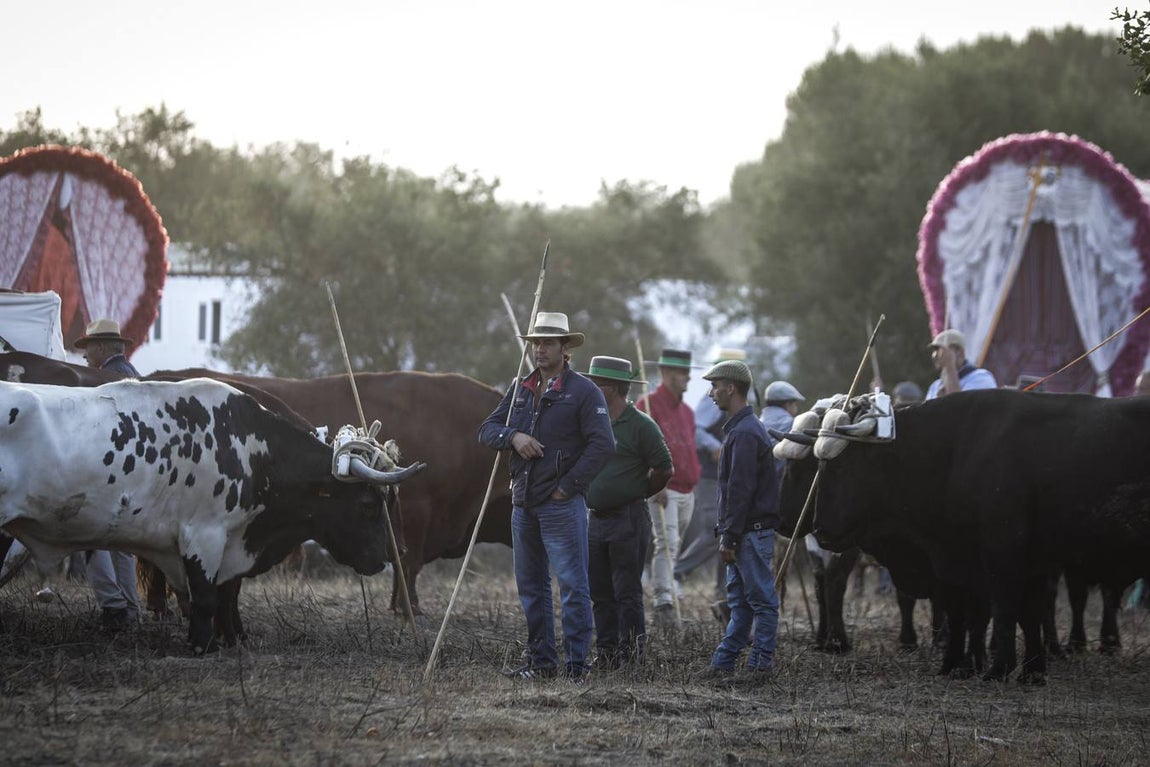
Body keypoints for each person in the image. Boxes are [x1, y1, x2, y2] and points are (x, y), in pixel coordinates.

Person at [478, 311, 614, 682]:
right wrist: (514, 438)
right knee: (531, 587)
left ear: (565, 347)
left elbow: (603, 445)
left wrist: (568, 487)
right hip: (522, 504)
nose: (539, 349)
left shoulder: (584, 391)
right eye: (536, 342)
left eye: (547, 342)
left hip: (561, 505)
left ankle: (576, 668)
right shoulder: (521, 388)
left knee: (572, 586)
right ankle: (541, 663)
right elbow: (487, 430)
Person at [584, 356, 673, 669]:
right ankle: (606, 654)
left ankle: (632, 656)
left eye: (597, 383)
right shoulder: (592, 421)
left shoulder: (641, 426)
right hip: (595, 519)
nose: (591, 388)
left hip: (628, 519)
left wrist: (639, 490)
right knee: (600, 592)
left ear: (611, 388)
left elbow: (664, 468)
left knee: (627, 591)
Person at [700, 357, 780, 684]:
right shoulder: (740, 429)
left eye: (715, 386)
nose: (711, 394)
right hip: (744, 533)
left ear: (731, 388)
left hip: (749, 533)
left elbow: (741, 490)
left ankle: (759, 668)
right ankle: (723, 664)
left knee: (761, 602)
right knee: (742, 604)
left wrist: (729, 537)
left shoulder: (745, 433)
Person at [74, 318, 143, 629]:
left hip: (108, 470)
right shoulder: (134, 376)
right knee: (123, 545)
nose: (85, 356)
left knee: (89, 536)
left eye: (88, 349)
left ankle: (113, 605)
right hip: (134, 472)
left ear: (101, 347)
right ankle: (130, 608)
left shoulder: (102, 378)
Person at [677, 349, 746, 620]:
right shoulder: (712, 398)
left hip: (724, 477)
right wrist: (716, 447)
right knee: (713, 533)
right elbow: (695, 429)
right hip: (709, 476)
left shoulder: (732, 397)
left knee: (727, 532)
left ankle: (723, 592)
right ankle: (676, 573)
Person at [635, 348, 700, 626]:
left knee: (675, 545)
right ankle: (663, 602)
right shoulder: (646, 405)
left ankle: (666, 592)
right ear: (664, 373)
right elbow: (639, 448)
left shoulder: (687, 411)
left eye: (687, 372)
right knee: (667, 543)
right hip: (664, 488)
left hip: (688, 489)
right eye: (680, 372)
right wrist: (654, 480)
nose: (686, 377)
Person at [925, 329, 997, 399]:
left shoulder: (981, 378)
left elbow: (959, 407)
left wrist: (949, 367)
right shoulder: (934, 386)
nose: (934, 355)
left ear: (959, 352)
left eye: (938, 349)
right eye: (934, 350)